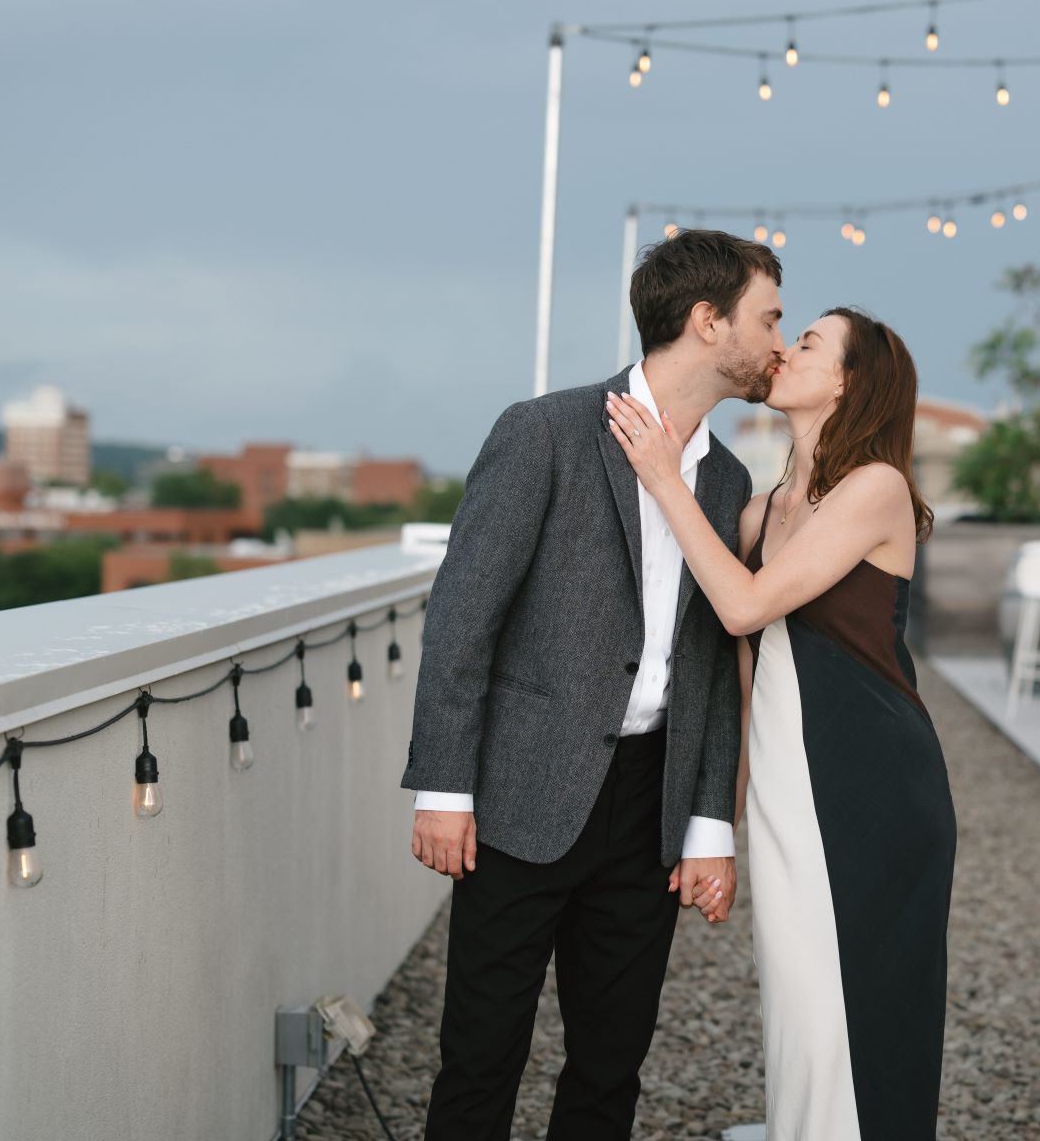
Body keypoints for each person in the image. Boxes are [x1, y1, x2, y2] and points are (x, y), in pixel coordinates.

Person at [402, 228, 785, 1140]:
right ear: (707, 321)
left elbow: (710, 669)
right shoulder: (543, 432)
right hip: (519, 795)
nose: (779, 339)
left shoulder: (728, 479)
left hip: (647, 811)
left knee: (611, 1071)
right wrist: (445, 788)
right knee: (481, 1058)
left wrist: (706, 827)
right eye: (768, 318)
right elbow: (463, 620)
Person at [605, 305, 957, 1140]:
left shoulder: (876, 488)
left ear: (846, 379)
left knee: (864, 1002)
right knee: (797, 990)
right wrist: (717, 823)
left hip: (870, 783)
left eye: (807, 343)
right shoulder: (762, 514)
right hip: (788, 783)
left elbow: (744, 606)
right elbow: (742, 672)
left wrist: (662, 476)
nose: (783, 349)